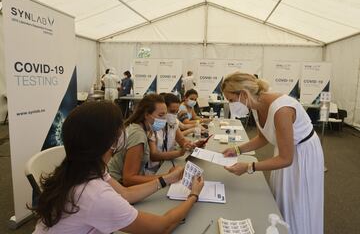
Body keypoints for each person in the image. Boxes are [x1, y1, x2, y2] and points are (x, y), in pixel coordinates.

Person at [32, 101, 204, 234]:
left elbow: (126, 194)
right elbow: (162, 226)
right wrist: (193, 195)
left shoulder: (83, 167)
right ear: (112, 140)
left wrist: (166, 179)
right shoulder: (95, 194)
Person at [221, 72, 324, 234]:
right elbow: (264, 136)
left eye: (231, 100)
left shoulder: (281, 110)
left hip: (302, 154)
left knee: (298, 202)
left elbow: (286, 159)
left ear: (243, 94)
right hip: (285, 152)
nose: (230, 104)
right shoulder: (254, 104)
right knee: (281, 198)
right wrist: (237, 150)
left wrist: (249, 167)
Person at [108, 94, 179, 186]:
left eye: (165, 115)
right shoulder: (138, 135)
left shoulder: (143, 130)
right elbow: (129, 179)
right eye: (161, 115)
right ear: (146, 115)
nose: (164, 119)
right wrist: (168, 176)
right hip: (116, 185)